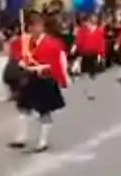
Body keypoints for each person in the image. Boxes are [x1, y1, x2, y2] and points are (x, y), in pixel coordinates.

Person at [7, 13, 69, 153]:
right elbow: (15, 51)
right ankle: (21, 137)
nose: (35, 29)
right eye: (33, 26)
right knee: (23, 107)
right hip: (29, 78)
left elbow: (60, 63)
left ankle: (43, 141)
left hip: (45, 78)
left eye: (38, 25)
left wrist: (62, 80)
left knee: (44, 111)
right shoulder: (24, 42)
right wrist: (20, 60)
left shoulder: (53, 43)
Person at [73, 14, 107, 100]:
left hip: (94, 53)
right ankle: (86, 88)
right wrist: (76, 48)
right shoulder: (82, 30)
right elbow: (79, 40)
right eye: (91, 19)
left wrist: (101, 54)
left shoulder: (99, 30)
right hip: (85, 53)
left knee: (93, 73)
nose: (93, 20)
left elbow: (101, 42)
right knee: (84, 72)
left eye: (94, 19)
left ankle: (91, 91)